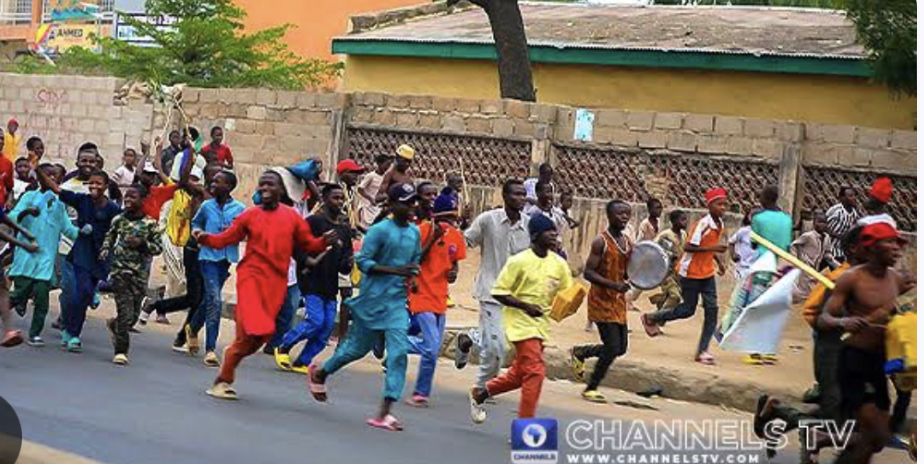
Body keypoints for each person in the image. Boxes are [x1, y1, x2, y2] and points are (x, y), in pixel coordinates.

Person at [197, 170, 335, 400]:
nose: (264, 188)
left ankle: (225, 371)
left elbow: (309, 245)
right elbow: (226, 239)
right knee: (256, 326)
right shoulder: (249, 215)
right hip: (251, 276)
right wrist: (204, 237)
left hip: (276, 282)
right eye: (261, 185)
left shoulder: (292, 217)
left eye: (270, 184)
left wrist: (323, 242)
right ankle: (224, 378)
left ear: (281, 190)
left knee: (258, 338)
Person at [307, 183, 420, 432]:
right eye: (406, 202)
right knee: (355, 351)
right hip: (371, 302)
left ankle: (385, 413)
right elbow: (364, 262)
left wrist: (413, 279)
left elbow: (414, 262)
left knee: (399, 353)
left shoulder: (414, 233)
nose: (411, 207)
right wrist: (395, 270)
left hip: (396, 304)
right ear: (391, 204)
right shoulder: (380, 231)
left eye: (413, 202)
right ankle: (321, 373)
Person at [754, 226, 865, 462]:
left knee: (838, 409)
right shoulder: (837, 278)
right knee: (834, 414)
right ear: (855, 249)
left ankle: (785, 423)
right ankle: (781, 413)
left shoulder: (861, 278)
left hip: (852, 356)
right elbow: (811, 312)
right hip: (832, 351)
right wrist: (840, 325)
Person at [817, 222, 909, 464]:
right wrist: (844, 322)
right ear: (871, 248)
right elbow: (824, 318)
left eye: (897, 243)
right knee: (874, 430)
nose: (896, 249)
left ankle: (820, 439)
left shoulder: (898, 280)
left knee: (875, 441)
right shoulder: (851, 279)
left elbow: (907, 311)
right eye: (889, 242)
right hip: (854, 363)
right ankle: (822, 439)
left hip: (882, 364)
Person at [469, 214, 573, 422]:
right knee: (535, 372)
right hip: (519, 324)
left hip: (541, 325)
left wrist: (568, 306)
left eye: (555, 231)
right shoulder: (519, 262)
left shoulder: (559, 264)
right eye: (548, 232)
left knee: (519, 375)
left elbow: (567, 294)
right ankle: (525, 427)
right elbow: (498, 292)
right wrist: (525, 306)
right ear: (535, 236)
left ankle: (481, 393)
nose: (554, 235)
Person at [36, 166, 120, 353]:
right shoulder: (82, 200)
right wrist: (37, 169)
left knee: (84, 295)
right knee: (81, 291)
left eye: (98, 183)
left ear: (106, 186)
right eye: (91, 182)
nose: (94, 186)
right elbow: (57, 189)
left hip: (100, 256)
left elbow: (120, 229)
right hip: (82, 252)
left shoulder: (113, 208)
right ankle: (72, 334)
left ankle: (71, 328)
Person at [274, 183, 353, 374]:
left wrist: (348, 263)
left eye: (342, 198)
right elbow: (295, 244)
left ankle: (303, 360)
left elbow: (344, 261)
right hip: (311, 281)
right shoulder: (313, 222)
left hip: (330, 284)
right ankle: (284, 345)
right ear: (325, 200)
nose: (339, 202)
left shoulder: (343, 230)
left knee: (326, 328)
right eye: (335, 198)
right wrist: (305, 260)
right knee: (316, 321)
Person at [642, 188, 727, 365]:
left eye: (724, 204)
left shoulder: (720, 224)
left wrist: (718, 262)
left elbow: (711, 245)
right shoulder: (702, 225)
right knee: (688, 309)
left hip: (706, 273)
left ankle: (702, 350)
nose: (723, 208)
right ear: (709, 205)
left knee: (712, 310)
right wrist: (714, 250)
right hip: (690, 273)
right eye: (719, 204)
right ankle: (652, 317)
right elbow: (689, 247)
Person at [459, 179, 530, 384]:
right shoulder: (488, 220)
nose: (521, 198)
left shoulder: (529, 225)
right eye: (516, 194)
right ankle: (483, 386)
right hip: (491, 291)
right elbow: (466, 241)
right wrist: (463, 221)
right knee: (498, 347)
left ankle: (469, 339)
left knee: (499, 338)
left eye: (523, 194)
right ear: (505, 197)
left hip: (516, 296)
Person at [405, 190, 467, 407]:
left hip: (441, 297)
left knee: (434, 348)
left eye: (453, 218)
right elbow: (413, 259)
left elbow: (455, 265)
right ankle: (394, 341)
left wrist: (454, 273)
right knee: (431, 347)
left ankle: (421, 392)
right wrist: (432, 238)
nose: (450, 223)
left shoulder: (457, 236)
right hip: (420, 294)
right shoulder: (422, 230)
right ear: (437, 216)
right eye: (446, 218)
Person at [570, 200, 632, 403]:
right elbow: (588, 272)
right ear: (609, 216)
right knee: (612, 347)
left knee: (621, 348)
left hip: (618, 301)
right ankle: (591, 387)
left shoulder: (628, 243)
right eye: (619, 213)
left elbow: (631, 268)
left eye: (627, 214)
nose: (624, 217)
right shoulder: (601, 242)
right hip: (601, 300)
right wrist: (613, 285)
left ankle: (581, 352)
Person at [9, 164, 77, 346]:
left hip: (45, 260)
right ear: (40, 179)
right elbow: (13, 217)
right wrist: (26, 212)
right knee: (18, 295)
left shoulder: (59, 204)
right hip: (26, 256)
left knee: (42, 299)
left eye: (55, 176)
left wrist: (85, 235)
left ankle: (34, 333)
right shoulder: (30, 197)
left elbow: (67, 229)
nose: (52, 179)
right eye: (48, 175)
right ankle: (7, 310)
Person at [183, 170, 244, 366]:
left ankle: (192, 328)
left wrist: (234, 233)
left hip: (225, 259)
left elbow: (245, 231)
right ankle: (210, 349)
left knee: (210, 298)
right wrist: (197, 233)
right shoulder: (207, 206)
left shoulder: (240, 208)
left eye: (218, 181)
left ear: (228, 187)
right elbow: (196, 222)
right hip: (207, 256)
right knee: (215, 300)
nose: (212, 184)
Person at [101, 184, 163, 365]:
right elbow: (110, 236)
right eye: (126, 197)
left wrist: (142, 244)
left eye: (132, 197)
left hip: (140, 273)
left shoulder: (150, 224)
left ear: (143, 200)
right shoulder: (119, 220)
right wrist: (105, 249)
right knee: (124, 310)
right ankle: (121, 351)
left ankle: (115, 325)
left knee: (132, 316)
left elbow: (158, 248)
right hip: (120, 271)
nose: (128, 200)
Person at [647, 210, 689, 329]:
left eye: (685, 219)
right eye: (682, 219)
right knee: (675, 296)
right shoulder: (666, 235)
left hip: (678, 271)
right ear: (673, 221)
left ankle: (659, 302)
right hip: (665, 271)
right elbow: (656, 249)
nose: (685, 222)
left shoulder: (684, 234)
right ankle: (655, 320)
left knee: (670, 295)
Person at [791, 210, 836, 303]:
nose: (822, 225)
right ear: (814, 223)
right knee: (805, 288)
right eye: (819, 222)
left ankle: (802, 304)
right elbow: (794, 245)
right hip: (806, 265)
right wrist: (796, 259)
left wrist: (833, 260)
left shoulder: (827, 237)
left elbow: (827, 252)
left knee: (810, 288)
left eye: (824, 222)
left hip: (816, 267)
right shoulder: (808, 236)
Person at [750, 185, 793, 255]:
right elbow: (787, 246)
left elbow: (753, 245)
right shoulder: (787, 219)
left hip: (762, 260)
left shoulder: (758, 218)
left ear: (764, 198)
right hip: (781, 261)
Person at [357, 154, 392, 231]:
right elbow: (360, 189)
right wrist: (370, 198)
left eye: (389, 165)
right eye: (386, 165)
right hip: (367, 207)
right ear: (379, 164)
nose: (387, 167)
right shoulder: (371, 176)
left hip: (377, 207)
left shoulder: (386, 178)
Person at [826, 186, 860, 263]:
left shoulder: (854, 213)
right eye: (850, 196)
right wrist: (838, 235)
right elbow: (824, 226)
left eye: (854, 195)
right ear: (842, 198)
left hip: (842, 251)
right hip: (830, 249)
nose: (853, 198)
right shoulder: (835, 211)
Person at [728, 208, 756, 281]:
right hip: (743, 267)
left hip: (756, 267)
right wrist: (733, 254)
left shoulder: (763, 232)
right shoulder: (744, 231)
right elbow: (731, 242)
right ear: (748, 217)